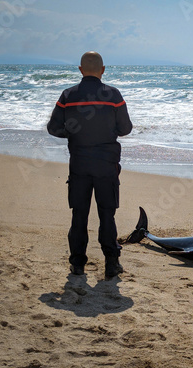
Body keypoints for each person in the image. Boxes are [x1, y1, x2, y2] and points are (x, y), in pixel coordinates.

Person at [47, 51, 133, 278]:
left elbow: (53, 128)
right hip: (107, 165)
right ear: (103, 70)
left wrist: (74, 133)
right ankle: (112, 264)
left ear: (81, 70)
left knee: (79, 215)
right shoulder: (113, 95)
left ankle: (77, 264)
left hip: (79, 164)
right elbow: (125, 129)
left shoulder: (68, 95)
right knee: (107, 215)